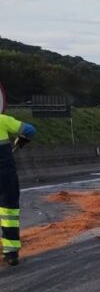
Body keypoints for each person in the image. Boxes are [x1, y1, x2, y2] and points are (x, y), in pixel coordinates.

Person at [0, 112, 36, 265]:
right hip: (5, 174)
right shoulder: (2, 120)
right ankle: (11, 254)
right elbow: (29, 130)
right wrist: (20, 141)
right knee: (9, 213)